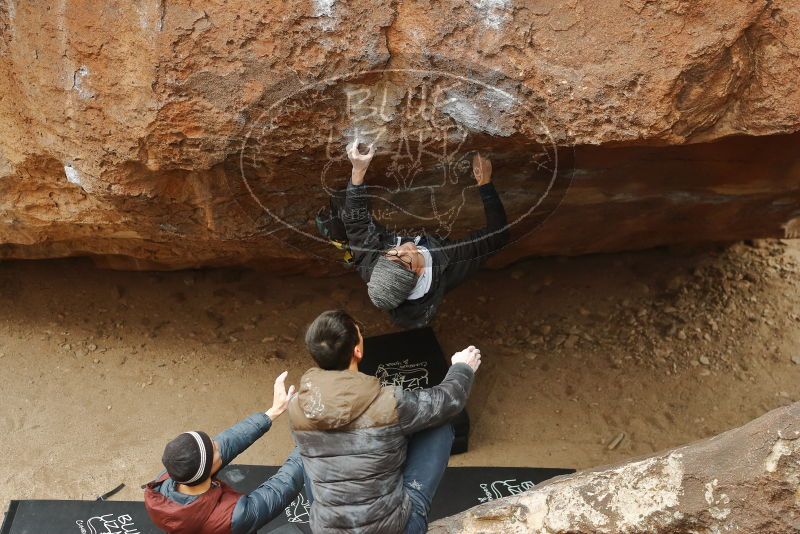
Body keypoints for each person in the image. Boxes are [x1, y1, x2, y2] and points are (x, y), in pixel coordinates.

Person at [288, 309, 481, 533]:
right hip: (395, 528)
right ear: (357, 350)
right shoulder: (390, 401)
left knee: (311, 450)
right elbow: (448, 401)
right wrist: (462, 368)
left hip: (328, 529)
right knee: (439, 424)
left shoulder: (297, 406)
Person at [343, 140, 509, 328]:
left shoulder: (372, 266)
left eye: (390, 254)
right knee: (411, 321)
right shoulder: (453, 262)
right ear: (419, 272)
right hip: (419, 310)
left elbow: (355, 223)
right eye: (405, 259)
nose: (400, 249)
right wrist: (485, 183)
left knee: (342, 224)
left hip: (390, 280)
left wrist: (358, 170)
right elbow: (498, 235)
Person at [144, 371, 305, 534]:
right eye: (214, 448)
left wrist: (273, 412)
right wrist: (311, 444)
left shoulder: (165, 481)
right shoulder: (233, 516)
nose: (218, 444)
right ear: (208, 469)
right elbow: (282, 487)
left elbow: (228, 442)